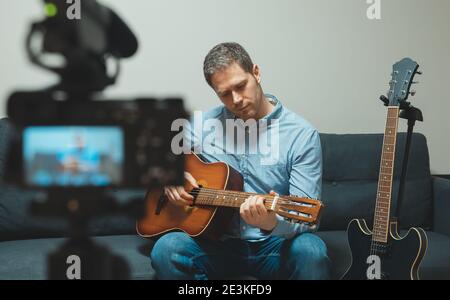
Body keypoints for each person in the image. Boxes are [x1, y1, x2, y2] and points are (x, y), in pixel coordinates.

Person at [150, 42, 330, 280]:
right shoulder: (205, 124)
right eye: (224, 93)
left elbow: (306, 218)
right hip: (216, 245)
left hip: (274, 247)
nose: (236, 100)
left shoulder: (301, 134)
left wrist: (271, 222)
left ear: (256, 72)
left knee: (311, 250)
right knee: (167, 248)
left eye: (241, 86)